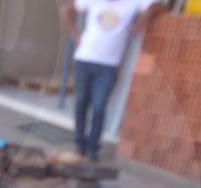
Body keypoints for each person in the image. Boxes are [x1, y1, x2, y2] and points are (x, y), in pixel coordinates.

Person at [61, 0, 167, 161]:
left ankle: (92, 149)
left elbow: (158, 7)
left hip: (108, 66)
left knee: (99, 107)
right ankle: (79, 145)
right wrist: (75, 35)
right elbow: (66, 11)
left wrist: (141, 22)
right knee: (81, 104)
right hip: (84, 60)